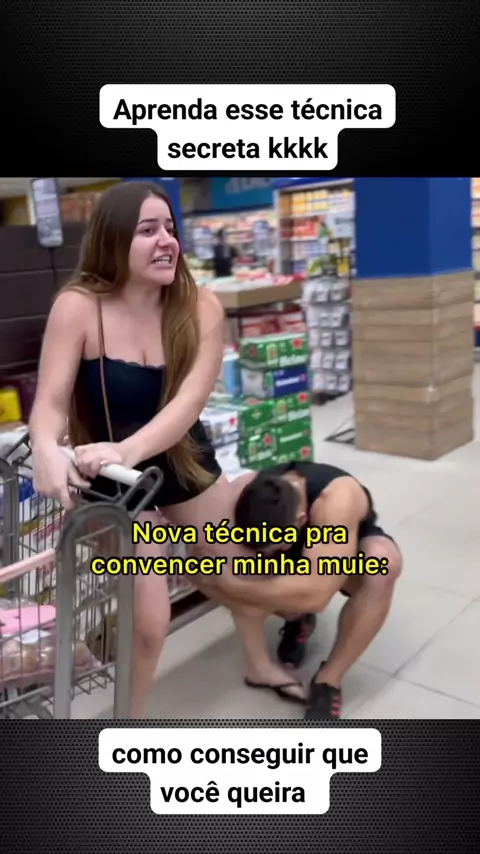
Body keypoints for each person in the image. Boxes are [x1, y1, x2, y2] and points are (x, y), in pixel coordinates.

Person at [29, 180, 281, 717]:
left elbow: (189, 403)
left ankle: (260, 661)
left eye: (170, 227)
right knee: (149, 623)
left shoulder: (200, 306)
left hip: (180, 457)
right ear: (114, 240)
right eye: (148, 230)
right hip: (113, 480)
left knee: (234, 570)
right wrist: (45, 446)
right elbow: (49, 403)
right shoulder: (78, 307)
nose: (167, 240)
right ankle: (128, 725)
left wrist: (129, 448)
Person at [194, 461, 402, 720]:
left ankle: (329, 680)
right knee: (235, 567)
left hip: (340, 550)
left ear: (301, 520)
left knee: (384, 565)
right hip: (294, 555)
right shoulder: (241, 491)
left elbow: (318, 596)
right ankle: (287, 628)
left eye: (276, 546)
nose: (271, 552)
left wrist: (234, 586)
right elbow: (202, 567)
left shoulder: (337, 500)